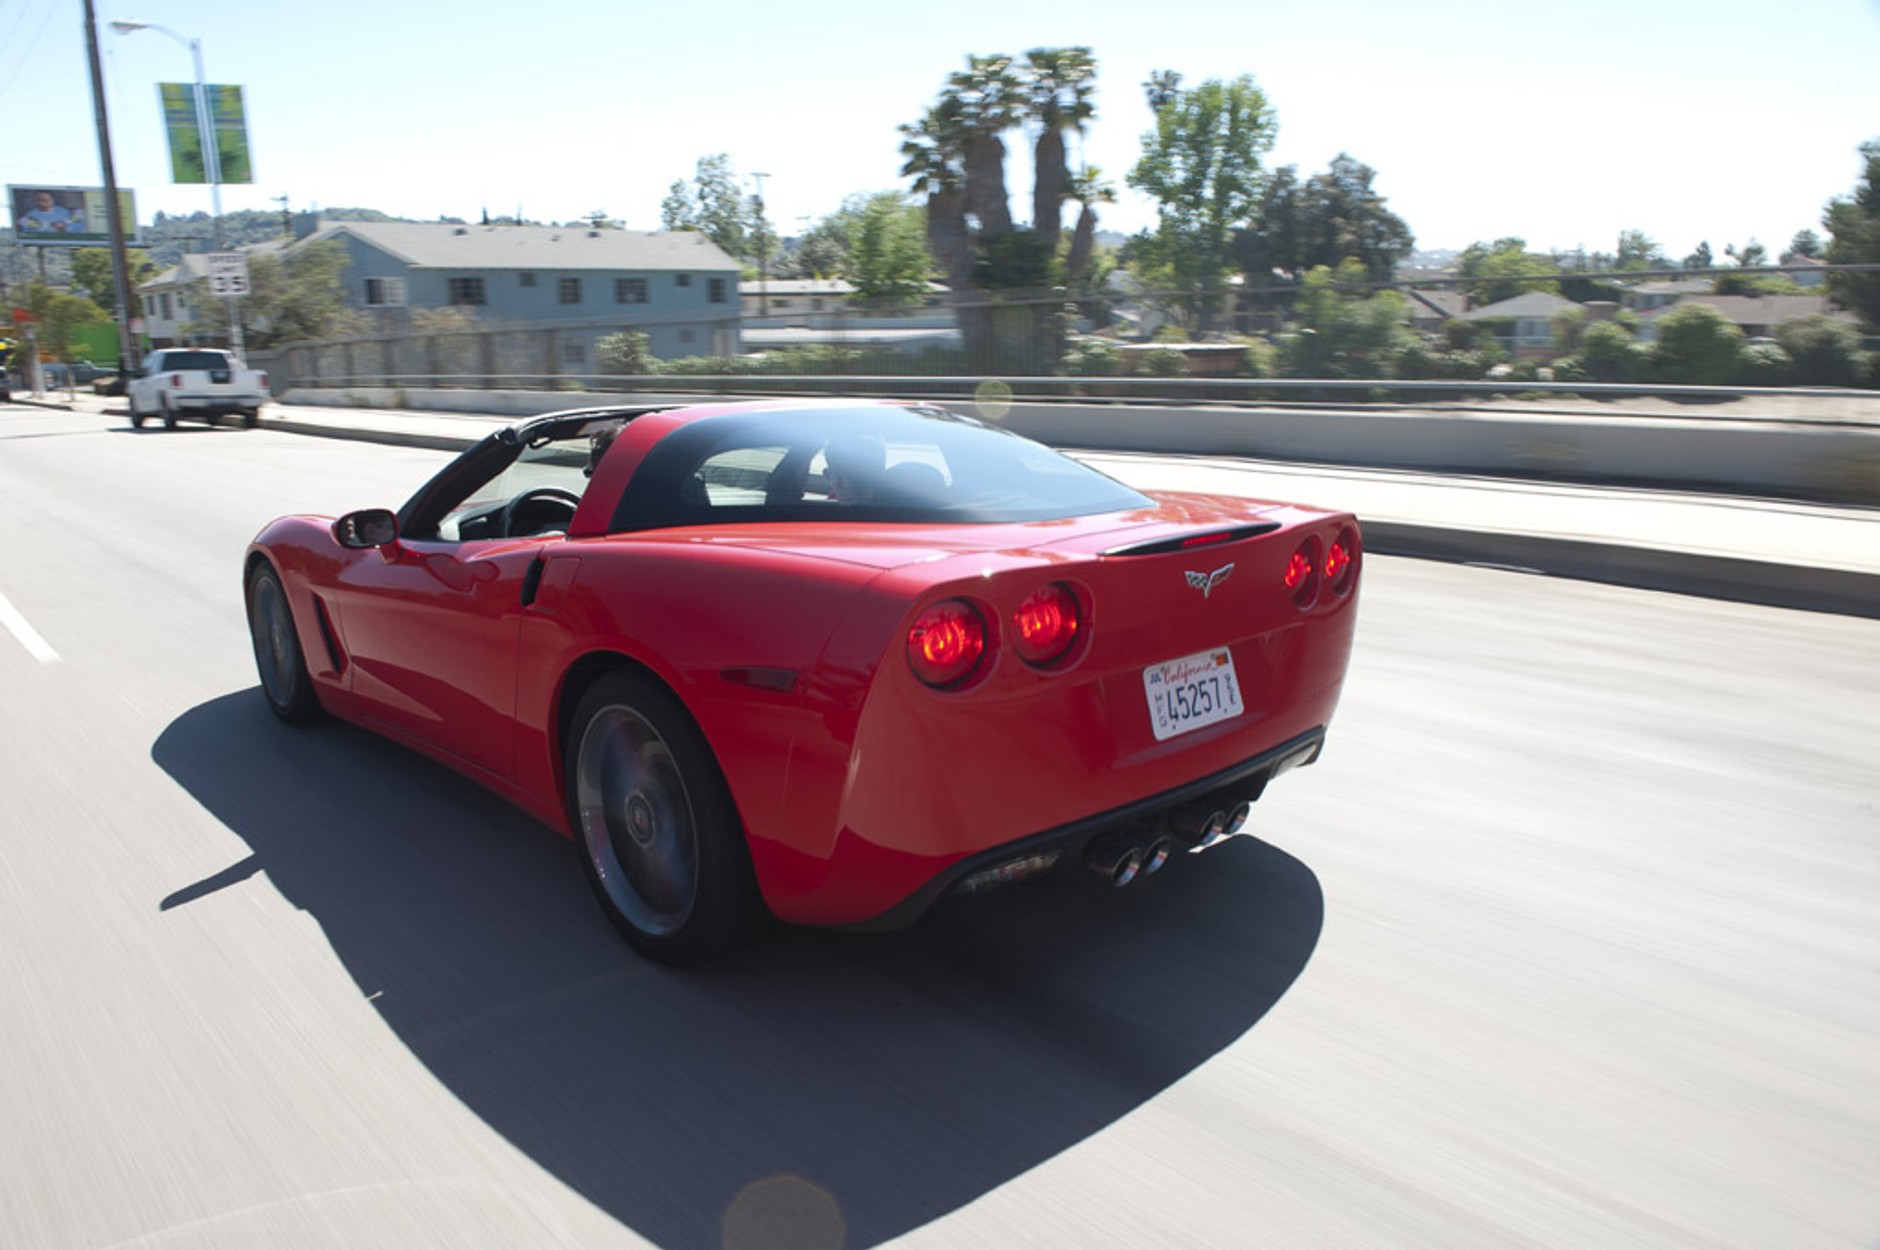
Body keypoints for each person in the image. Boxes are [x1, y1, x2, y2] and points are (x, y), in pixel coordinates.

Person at [17, 191, 83, 235]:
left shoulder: (62, 211)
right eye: (39, 200)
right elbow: (28, 233)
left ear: (52, 200)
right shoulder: (32, 215)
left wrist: (65, 228)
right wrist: (51, 227)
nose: (41, 203)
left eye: (45, 200)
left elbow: (77, 227)